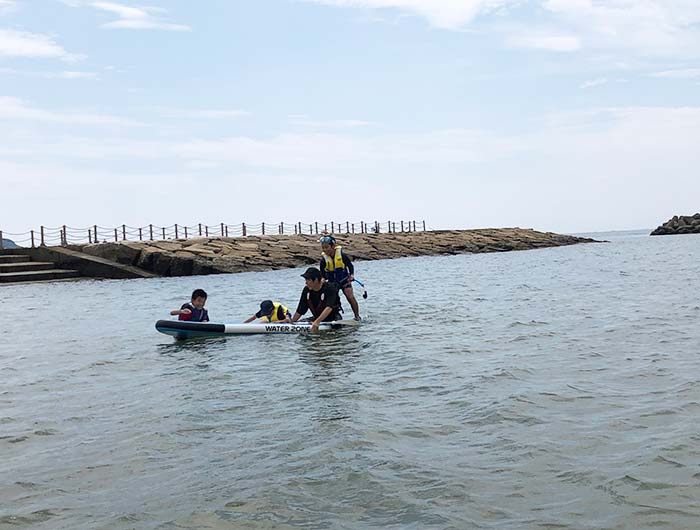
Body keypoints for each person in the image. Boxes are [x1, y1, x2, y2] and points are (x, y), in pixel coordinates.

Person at [319, 235, 361, 320]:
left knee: (350, 296)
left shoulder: (342, 255)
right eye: (323, 248)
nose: (325, 250)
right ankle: (335, 317)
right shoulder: (323, 260)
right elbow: (322, 273)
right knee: (332, 300)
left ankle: (357, 316)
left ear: (333, 246)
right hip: (332, 283)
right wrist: (322, 279)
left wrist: (352, 275)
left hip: (344, 280)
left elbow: (350, 266)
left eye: (327, 247)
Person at [291, 267, 342, 332]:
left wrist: (317, 322)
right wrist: (292, 322)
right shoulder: (306, 290)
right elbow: (300, 310)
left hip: (333, 319)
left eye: (308, 280)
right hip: (316, 318)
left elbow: (329, 307)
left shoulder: (330, 288)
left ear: (316, 280)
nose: (306, 283)